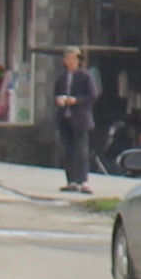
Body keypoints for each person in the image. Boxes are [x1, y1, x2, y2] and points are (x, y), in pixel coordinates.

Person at [53, 50, 101, 192]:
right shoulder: (61, 77)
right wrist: (59, 100)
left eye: (73, 59)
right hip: (64, 118)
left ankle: (83, 181)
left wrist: (76, 100)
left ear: (78, 61)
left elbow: (92, 96)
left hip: (80, 118)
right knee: (68, 150)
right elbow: (55, 94)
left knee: (81, 150)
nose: (70, 61)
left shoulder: (85, 76)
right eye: (68, 58)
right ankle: (72, 181)